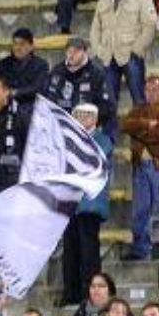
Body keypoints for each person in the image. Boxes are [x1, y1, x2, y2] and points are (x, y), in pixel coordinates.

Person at [120, 75, 159, 262]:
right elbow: (124, 125)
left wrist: (141, 133)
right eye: (147, 90)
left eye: (154, 90)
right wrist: (147, 125)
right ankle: (140, 248)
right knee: (140, 210)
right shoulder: (139, 109)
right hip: (141, 166)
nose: (150, 94)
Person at [89, 0, 158, 114]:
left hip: (131, 55)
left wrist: (136, 50)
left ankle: (140, 138)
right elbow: (95, 28)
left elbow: (149, 26)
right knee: (108, 103)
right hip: (107, 55)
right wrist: (98, 49)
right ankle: (110, 138)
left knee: (139, 100)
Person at [61, 104, 112, 305]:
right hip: (70, 203)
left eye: (86, 115)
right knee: (70, 250)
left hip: (90, 203)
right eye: (78, 115)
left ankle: (89, 294)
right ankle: (70, 292)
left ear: (95, 118)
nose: (82, 118)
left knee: (89, 252)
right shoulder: (69, 140)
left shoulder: (102, 140)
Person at [43, 37, 116, 135]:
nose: (71, 55)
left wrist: (91, 119)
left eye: (76, 51)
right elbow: (45, 96)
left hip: (86, 129)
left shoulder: (96, 74)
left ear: (85, 52)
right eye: (69, 51)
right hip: (58, 126)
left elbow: (109, 106)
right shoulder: (57, 71)